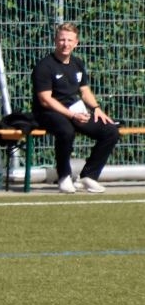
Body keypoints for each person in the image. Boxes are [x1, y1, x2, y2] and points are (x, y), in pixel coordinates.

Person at [31, 22, 118, 193]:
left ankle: (89, 176)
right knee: (66, 131)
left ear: (76, 43)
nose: (66, 44)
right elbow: (45, 99)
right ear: (56, 40)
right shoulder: (44, 66)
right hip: (48, 112)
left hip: (74, 111)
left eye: (70, 40)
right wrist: (72, 115)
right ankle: (64, 177)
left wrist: (96, 108)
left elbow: (84, 91)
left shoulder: (77, 63)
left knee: (110, 131)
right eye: (62, 39)